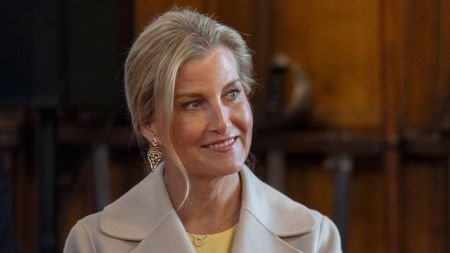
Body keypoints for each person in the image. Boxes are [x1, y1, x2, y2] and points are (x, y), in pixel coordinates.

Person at [63, 8, 342, 253]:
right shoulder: (95, 242)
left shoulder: (314, 238)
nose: (222, 122)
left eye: (232, 93)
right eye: (193, 104)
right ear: (150, 124)